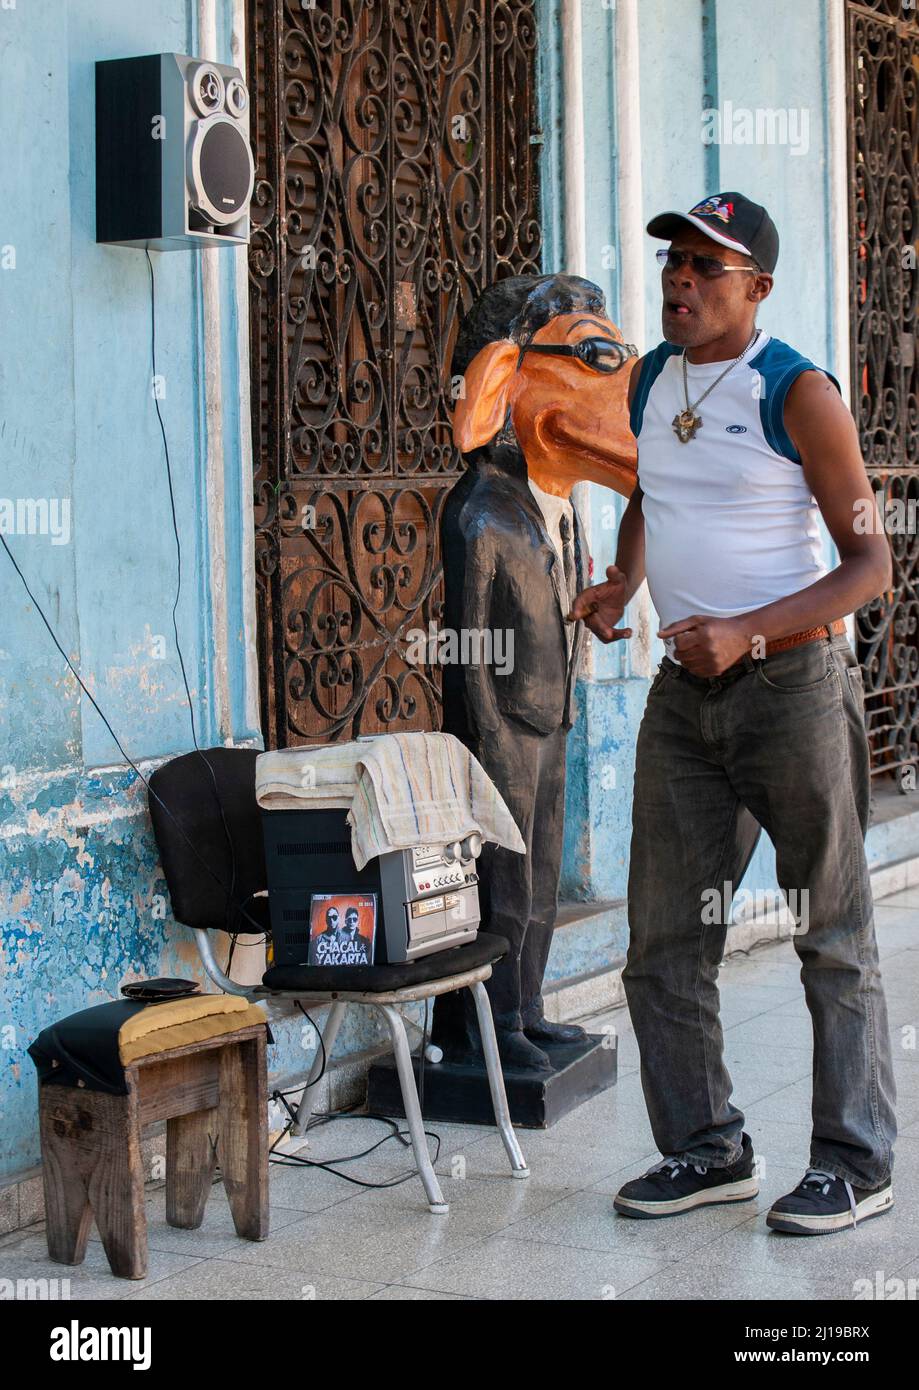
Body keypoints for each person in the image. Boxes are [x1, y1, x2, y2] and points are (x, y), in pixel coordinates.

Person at [570, 192, 897, 1235]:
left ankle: (855, 1160)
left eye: (708, 266)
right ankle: (706, 1149)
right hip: (683, 703)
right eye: (674, 258)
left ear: (754, 287)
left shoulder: (796, 392)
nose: (680, 278)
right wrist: (624, 583)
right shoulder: (650, 381)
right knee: (662, 942)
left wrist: (748, 630)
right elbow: (650, 491)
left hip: (792, 690)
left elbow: (870, 564)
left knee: (829, 930)